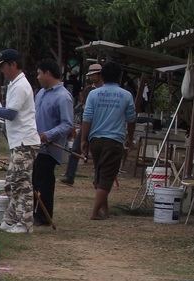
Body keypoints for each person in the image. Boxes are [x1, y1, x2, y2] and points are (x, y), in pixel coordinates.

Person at [0, 48, 40, 233]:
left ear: (13, 65)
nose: (1, 71)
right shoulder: (14, 83)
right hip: (18, 142)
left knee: (22, 183)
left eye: (3, 66)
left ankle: (25, 223)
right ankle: (11, 219)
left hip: (25, 142)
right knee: (13, 182)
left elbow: (10, 114)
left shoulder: (20, 85)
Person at [80, 61, 136, 220]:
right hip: (114, 141)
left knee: (100, 173)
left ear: (102, 76)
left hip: (95, 140)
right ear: (119, 77)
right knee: (106, 177)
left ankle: (105, 210)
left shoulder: (93, 94)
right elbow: (131, 120)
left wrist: (84, 140)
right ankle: (95, 213)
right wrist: (130, 139)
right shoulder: (126, 95)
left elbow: (87, 118)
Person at [32, 58, 74, 226]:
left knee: (45, 182)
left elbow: (67, 124)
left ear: (48, 73)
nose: (37, 77)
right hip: (34, 145)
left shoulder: (63, 97)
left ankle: (44, 216)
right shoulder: (41, 93)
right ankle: (34, 213)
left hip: (49, 148)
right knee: (34, 180)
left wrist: (47, 135)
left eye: (39, 73)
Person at [61, 63, 103, 186]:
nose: (91, 77)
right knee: (75, 149)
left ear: (99, 75)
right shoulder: (88, 89)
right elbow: (85, 107)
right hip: (87, 124)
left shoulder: (105, 90)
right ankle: (70, 176)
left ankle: (98, 179)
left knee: (97, 154)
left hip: (99, 125)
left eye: (93, 75)